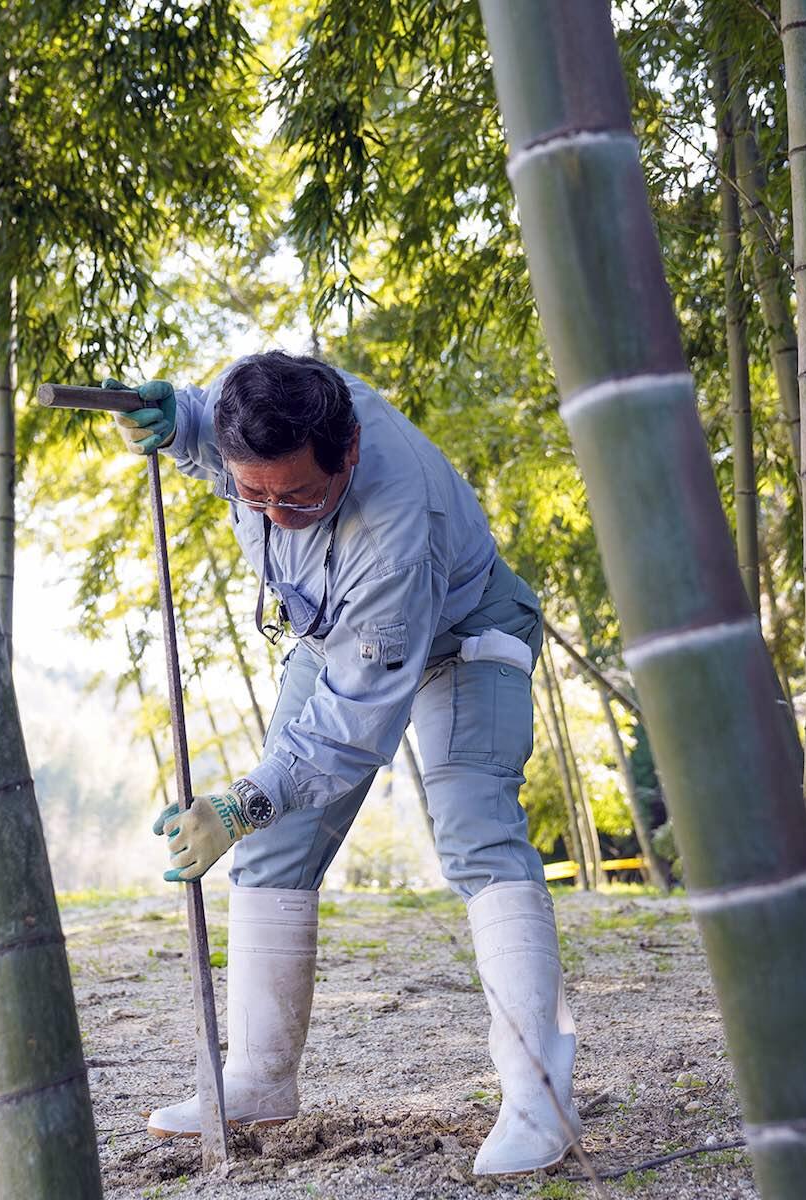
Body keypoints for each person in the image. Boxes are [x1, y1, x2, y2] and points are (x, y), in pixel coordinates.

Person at [112, 351, 580, 1174]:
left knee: (475, 831)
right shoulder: (253, 407)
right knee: (273, 844)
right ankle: (256, 1078)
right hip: (333, 637)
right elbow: (204, 418)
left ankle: (540, 1099)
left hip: (463, 635)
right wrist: (178, 422)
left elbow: (351, 725)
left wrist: (239, 802)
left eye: (297, 496)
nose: (274, 513)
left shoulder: (394, 532)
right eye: (252, 494)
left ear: (349, 452)